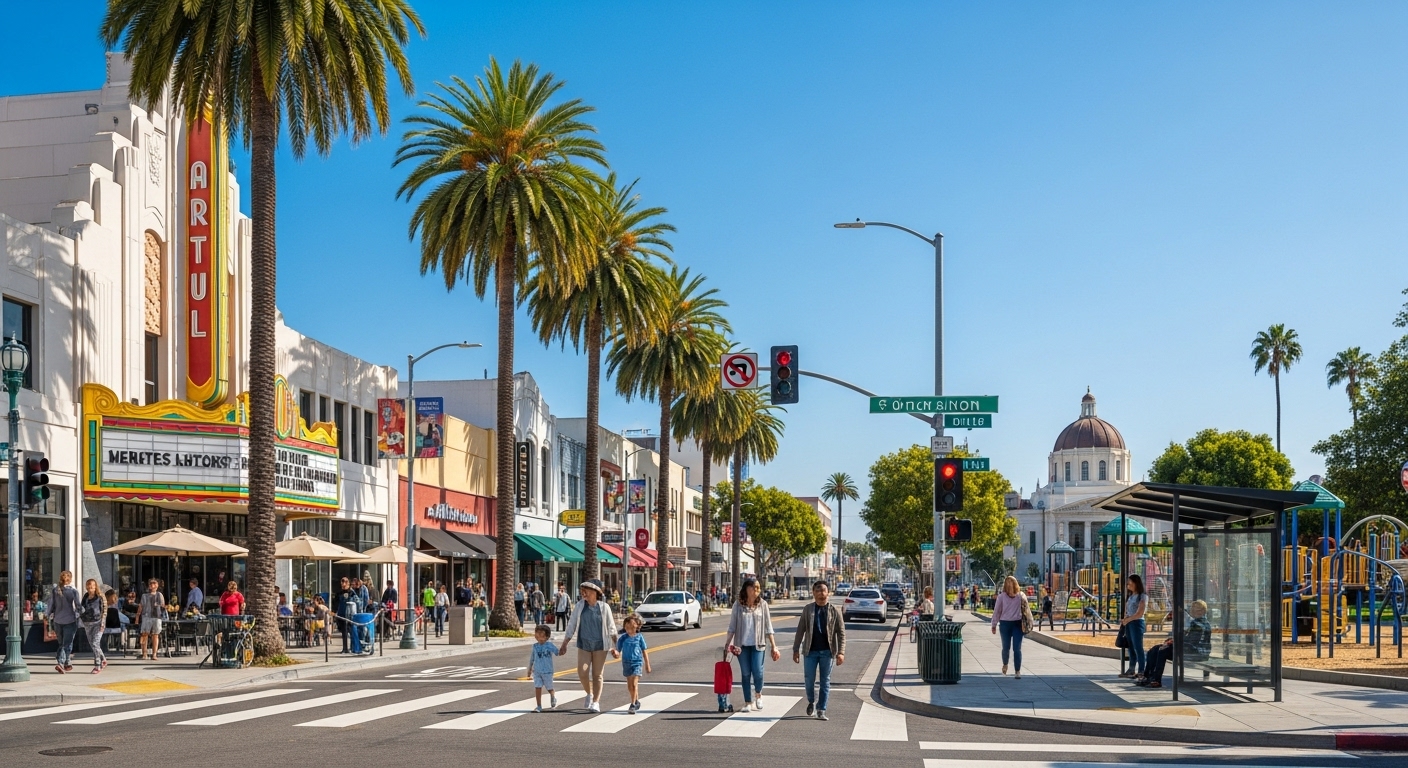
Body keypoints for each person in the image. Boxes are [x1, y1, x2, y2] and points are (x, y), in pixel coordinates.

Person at [558, 579, 618, 713]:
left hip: (600, 646)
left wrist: (616, 647)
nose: (583, 593)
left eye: (586, 591)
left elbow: (612, 628)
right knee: (583, 672)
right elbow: (571, 625)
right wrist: (564, 644)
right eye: (582, 591)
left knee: (597, 674)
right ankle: (589, 693)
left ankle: (596, 702)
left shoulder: (604, 607)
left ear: (595, 592)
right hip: (584, 645)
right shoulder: (580, 606)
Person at [792, 580, 845, 721]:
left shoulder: (835, 610)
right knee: (809, 679)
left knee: (825, 681)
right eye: (818, 590)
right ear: (813, 593)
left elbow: (841, 633)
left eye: (823, 590)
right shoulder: (808, 609)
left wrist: (841, 652)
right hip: (810, 651)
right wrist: (796, 649)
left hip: (827, 652)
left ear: (828, 592)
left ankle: (821, 709)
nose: (821, 593)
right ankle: (811, 700)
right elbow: (800, 630)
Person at [724, 578, 779, 712]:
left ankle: (758, 694)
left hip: (758, 644)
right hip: (741, 646)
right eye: (754, 587)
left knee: (758, 671)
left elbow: (768, 626)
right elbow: (732, 627)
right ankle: (748, 702)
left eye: (758, 588)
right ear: (746, 589)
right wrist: (727, 644)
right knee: (745, 673)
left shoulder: (763, 604)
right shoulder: (738, 605)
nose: (756, 590)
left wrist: (774, 646)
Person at [1137, 599, 1211, 689]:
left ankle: (1156, 679)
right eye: (1193, 608)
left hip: (1197, 653)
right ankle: (1148, 676)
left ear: (1203, 611)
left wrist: (1174, 642)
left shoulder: (1200, 624)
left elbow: (1192, 641)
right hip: (1190, 649)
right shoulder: (1195, 622)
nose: (1193, 611)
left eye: (1197, 609)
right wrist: (1172, 641)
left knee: (1162, 650)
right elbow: (1187, 638)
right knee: (1156, 649)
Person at [991, 575, 1029, 680]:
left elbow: (1026, 610)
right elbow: (997, 611)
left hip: (1017, 624)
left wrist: (1028, 623)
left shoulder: (1021, 596)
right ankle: (1005, 664)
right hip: (1005, 624)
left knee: (1017, 648)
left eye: (1011, 583)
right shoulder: (1001, 597)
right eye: (1008, 584)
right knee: (1006, 647)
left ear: (1015, 584)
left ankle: (1017, 671)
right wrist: (994, 624)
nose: (1010, 586)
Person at [617, 614, 651, 713]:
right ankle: (636, 700)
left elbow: (644, 650)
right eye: (627, 627)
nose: (629, 630)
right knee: (630, 685)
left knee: (634, 683)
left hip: (637, 662)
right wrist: (615, 652)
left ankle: (632, 704)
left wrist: (647, 664)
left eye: (631, 627)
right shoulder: (623, 638)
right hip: (626, 663)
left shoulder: (639, 637)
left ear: (637, 627)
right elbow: (618, 649)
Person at [49, 570, 81, 673]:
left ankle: (67, 662)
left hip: (57, 620)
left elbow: (51, 604)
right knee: (67, 643)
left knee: (61, 643)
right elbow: (78, 606)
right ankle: (61, 663)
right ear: (70, 579)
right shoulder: (73, 591)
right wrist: (82, 613)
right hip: (70, 620)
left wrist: (47, 615)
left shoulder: (55, 590)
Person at [1119, 574, 1147, 679]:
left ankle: (1141, 670)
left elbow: (1139, 613)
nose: (1128, 585)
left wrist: (1128, 619)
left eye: (1130, 582)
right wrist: (1125, 619)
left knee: (1138, 647)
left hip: (1137, 623)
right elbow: (1127, 610)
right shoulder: (1131, 596)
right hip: (1129, 623)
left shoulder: (1142, 596)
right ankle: (1131, 669)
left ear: (1135, 583)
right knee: (1131, 647)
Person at [528, 624, 559, 712]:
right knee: (537, 687)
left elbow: (557, 652)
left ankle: (552, 695)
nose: (538, 637)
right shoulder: (535, 646)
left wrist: (563, 650)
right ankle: (539, 706)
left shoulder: (550, 645)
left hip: (547, 671)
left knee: (549, 687)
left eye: (541, 635)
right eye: (537, 634)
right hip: (537, 671)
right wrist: (530, 669)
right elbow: (532, 658)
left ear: (547, 637)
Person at [79, 578, 107, 674]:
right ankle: (103, 659)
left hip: (98, 623)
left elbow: (104, 610)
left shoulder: (100, 596)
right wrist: (81, 617)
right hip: (87, 623)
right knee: (93, 644)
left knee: (95, 643)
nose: (90, 587)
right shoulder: (86, 596)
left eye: (92, 585)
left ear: (95, 586)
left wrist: (103, 623)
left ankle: (97, 665)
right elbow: (82, 608)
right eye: (88, 585)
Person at [136, 577, 167, 660]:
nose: (153, 586)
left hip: (157, 617)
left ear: (157, 585)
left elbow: (163, 606)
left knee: (155, 635)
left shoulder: (159, 595)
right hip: (146, 616)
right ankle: (144, 654)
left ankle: (154, 654)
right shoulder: (144, 596)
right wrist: (137, 617)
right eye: (151, 584)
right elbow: (141, 606)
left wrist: (161, 606)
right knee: (144, 634)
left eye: (154, 584)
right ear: (149, 586)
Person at [335, 576, 358, 653]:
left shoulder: (351, 592)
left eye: (345, 582)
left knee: (351, 631)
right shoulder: (339, 593)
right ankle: (345, 648)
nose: (343, 584)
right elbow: (336, 603)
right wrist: (335, 612)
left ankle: (353, 647)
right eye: (342, 582)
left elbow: (357, 601)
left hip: (350, 615)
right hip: (341, 614)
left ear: (348, 583)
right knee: (344, 632)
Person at [102, 589, 125, 656]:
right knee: (123, 625)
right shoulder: (116, 605)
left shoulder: (104, 605)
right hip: (116, 627)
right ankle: (120, 644)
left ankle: (105, 648)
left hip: (106, 627)